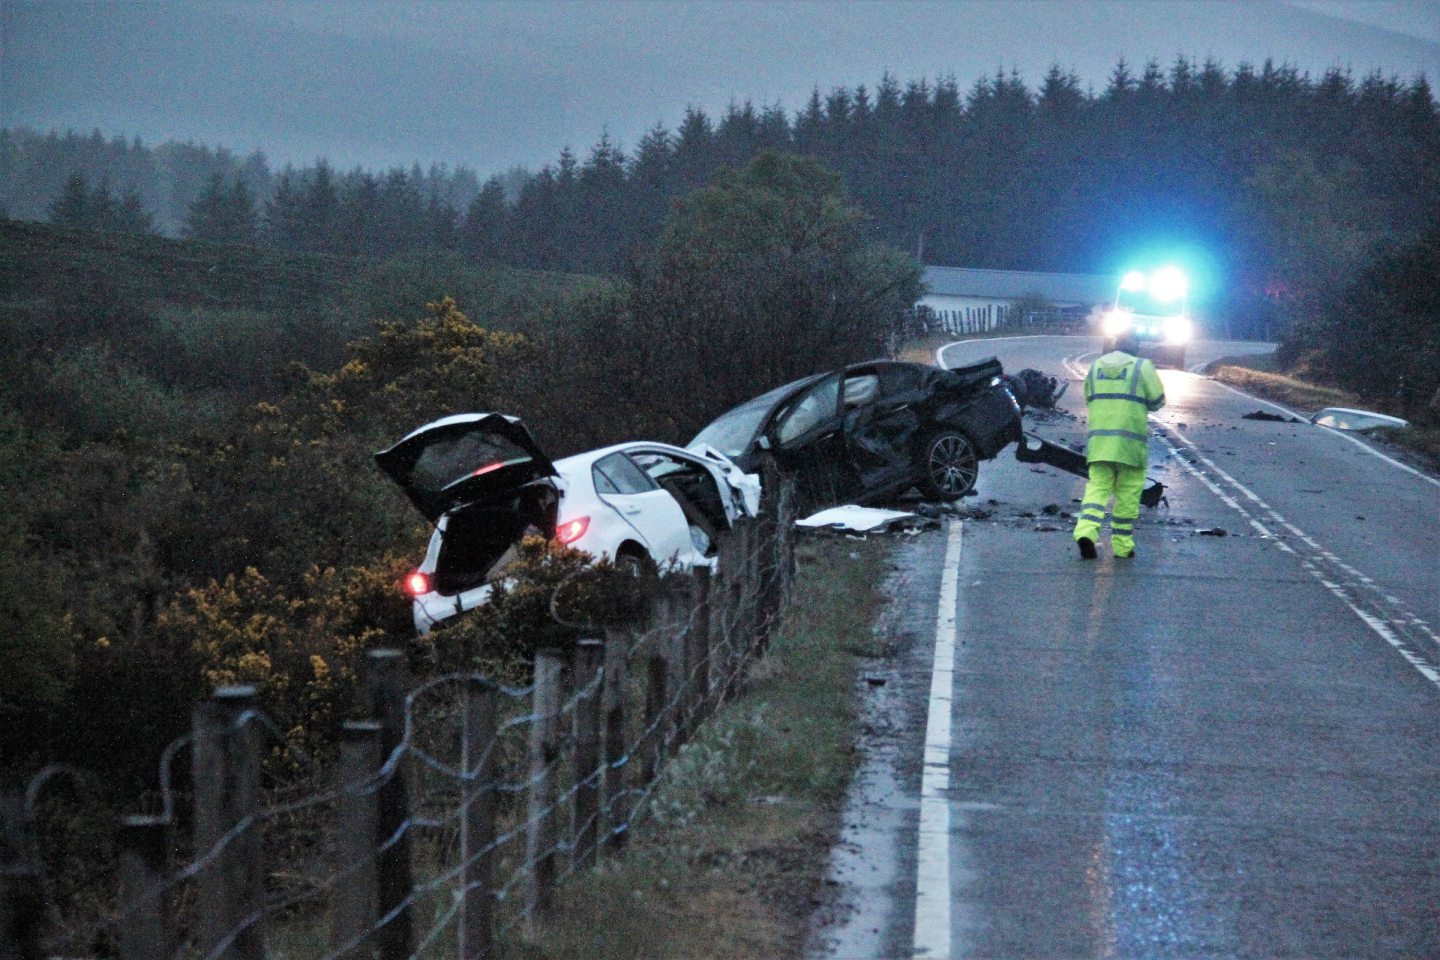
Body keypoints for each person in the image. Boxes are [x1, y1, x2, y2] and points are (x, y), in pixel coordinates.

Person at [1072, 332, 1165, 559]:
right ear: (1136, 347)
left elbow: (1088, 398)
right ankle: (1123, 547)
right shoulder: (1142, 367)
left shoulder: (1095, 367)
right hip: (1130, 446)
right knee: (1127, 496)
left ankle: (1085, 533)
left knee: (1096, 491)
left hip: (1100, 443)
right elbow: (1158, 401)